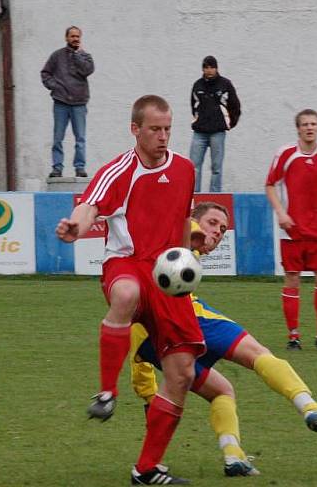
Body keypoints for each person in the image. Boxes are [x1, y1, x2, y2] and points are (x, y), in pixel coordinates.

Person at [130, 202, 317, 478]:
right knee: (258, 353)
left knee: (222, 391)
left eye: (222, 228)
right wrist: (195, 230)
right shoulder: (180, 242)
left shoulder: (164, 267)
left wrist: (148, 394)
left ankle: (234, 457)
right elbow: (184, 227)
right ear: (193, 221)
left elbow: (136, 342)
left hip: (153, 345)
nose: (217, 232)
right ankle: (311, 408)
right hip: (187, 319)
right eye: (212, 223)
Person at [56, 95, 202, 486]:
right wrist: (76, 226)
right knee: (124, 296)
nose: (163, 136)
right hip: (129, 264)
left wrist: (192, 246)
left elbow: (184, 216)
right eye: (155, 129)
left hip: (169, 280)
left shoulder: (186, 169)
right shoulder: (119, 170)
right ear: (135, 129)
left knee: (182, 374)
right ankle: (106, 392)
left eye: (168, 129)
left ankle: (147, 468)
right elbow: (89, 207)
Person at [265, 109, 317, 351]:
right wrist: (281, 213)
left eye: (314, 124)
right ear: (298, 128)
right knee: (293, 279)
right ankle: (294, 336)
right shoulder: (286, 154)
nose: (309, 128)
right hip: (293, 229)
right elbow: (269, 185)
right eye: (305, 124)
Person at [41, 26, 95, 178]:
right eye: (72, 36)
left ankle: (80, 167)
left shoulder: (85, 57)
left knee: (80, 139)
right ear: (66, 38)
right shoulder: (56, 56)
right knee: (58, 138)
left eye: (77, 36)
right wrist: (55, 87)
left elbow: (87, 70)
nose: (75, 39)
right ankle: (57, 167)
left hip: (79, 103)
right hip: (61, 103)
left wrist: (78, 55)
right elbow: (45, 73)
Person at [189, 55, 241, 192]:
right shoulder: (197, 85)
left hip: (217, 132)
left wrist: (229, 123)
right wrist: (197, 120)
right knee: (193, 166)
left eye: (212, 67)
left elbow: (235, 106)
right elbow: (193, 106)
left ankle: (215, 195)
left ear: (216, 68)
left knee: (216, 167)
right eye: (206, 67)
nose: (209, 70)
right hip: (199, 133)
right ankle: (194, 195)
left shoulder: (225, 84)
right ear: (203, 69)